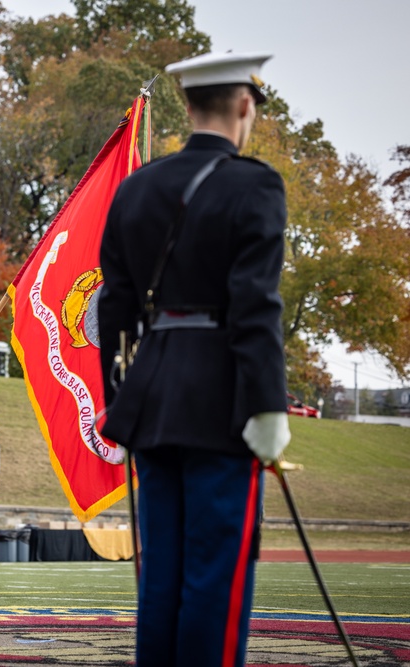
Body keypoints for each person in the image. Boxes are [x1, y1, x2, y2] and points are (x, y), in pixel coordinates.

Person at [97, 52, 291, 667]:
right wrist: (267, 406)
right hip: (222, 401)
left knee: (162, 577)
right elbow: (255, 306)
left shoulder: (137, 187)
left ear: (186, 106)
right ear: (243, 106)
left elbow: (114, 308)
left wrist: (117, 402)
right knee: (216, 577)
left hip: (151, 400)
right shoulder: (255, 184)